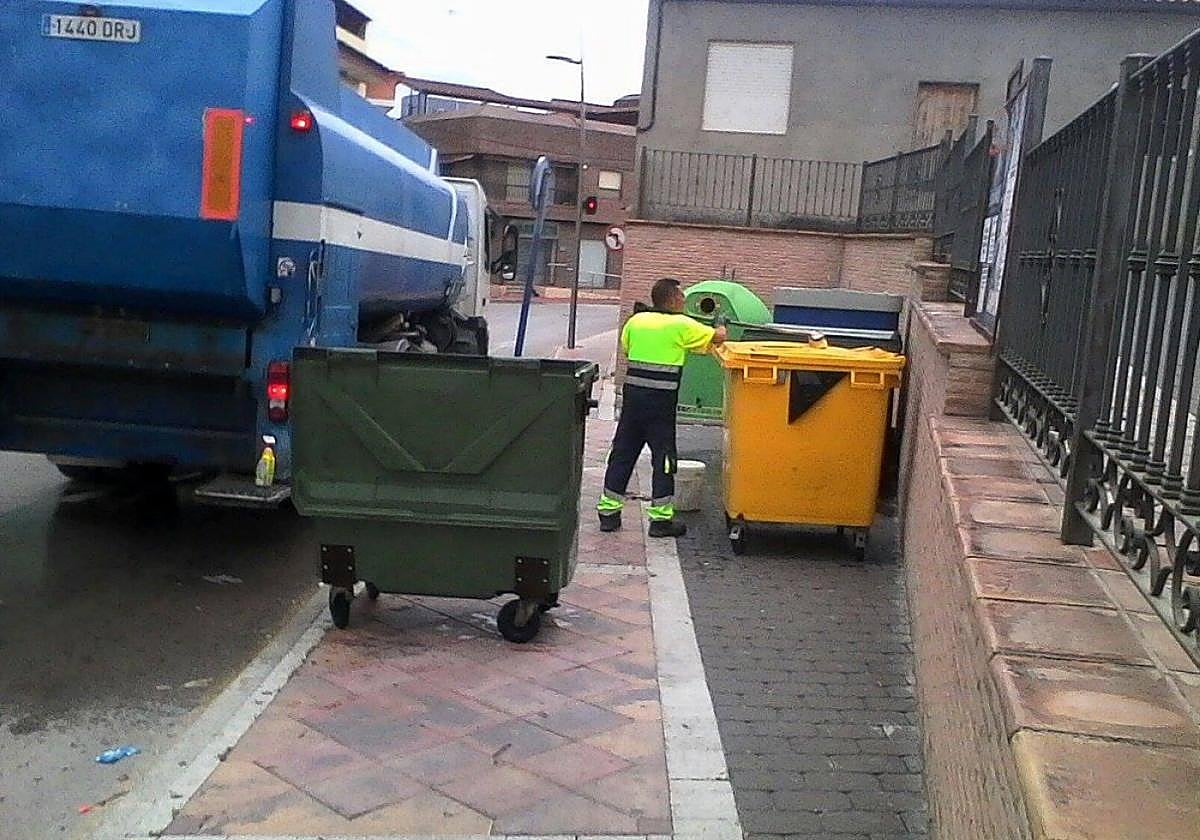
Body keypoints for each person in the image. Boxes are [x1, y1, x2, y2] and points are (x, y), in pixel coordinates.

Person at [597, 277, 727, 538]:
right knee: (664, 460)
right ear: (672, 299)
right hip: (660, 405)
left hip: (633, 401)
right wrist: (721, 323)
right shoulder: (681, 325)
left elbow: (627, 347)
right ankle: (660, 521)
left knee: (622, 454)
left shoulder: (635, 322)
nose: (683, 302)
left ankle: (609, 514)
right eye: (681, 298)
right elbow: (718, 338)